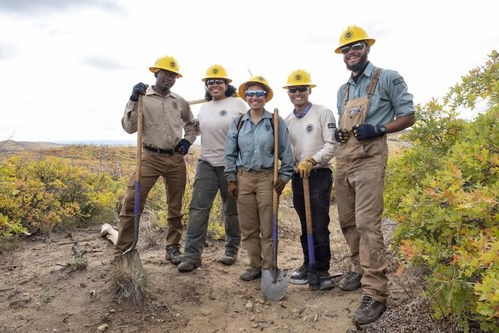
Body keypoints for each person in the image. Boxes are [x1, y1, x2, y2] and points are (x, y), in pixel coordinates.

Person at [333, 26, 416, 325]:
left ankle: (376, 292)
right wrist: (340, 135)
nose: (351, 52)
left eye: (356, 46)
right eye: (346, 49)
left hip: (370, 158)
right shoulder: (343, 90)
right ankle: (358, 268)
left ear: (367, 48)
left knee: (368, 224)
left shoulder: (388, 77)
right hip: (344, 160)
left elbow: (409, 115)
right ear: (342, 55)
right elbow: (346, 125)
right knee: (347, 221)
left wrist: (379, 128)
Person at [116, 55, 197, 265]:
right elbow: (129, 127)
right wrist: (133, 99)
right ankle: (124, 251)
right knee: (132, 201)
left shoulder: (179, 102)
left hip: (175, 159)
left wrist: (188, 141)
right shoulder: (142, 97)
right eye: (165, 74)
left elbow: (192, 125)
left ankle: (172, 248)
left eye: (173, 75)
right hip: (149, 157)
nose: (168, 78)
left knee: (175, 206)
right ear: (156, 73)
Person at [177, 65, 247, 272]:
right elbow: (194, 129)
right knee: (198, 209)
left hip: (231, 164)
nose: (214, 85)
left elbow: (250, 127)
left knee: (231, 210)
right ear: (206, 86)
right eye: (210, 82)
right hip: (207, 162)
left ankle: (231, 249)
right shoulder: (204, 108)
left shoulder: (237, 104)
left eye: (219, 82)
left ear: (227, 85)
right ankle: (192, 255)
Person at [225, 75, 294, 281]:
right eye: (251, 94)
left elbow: (286, 151)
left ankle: (269, 267)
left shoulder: (274, 121)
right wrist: (231, 178)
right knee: (248, 226)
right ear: (246, 97)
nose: (255, 97)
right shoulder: (237, 123)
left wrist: (284, 175)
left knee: (268, 225)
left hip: (267, 178)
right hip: (243, 178)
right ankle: (255, 265)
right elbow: (230, 152)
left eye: (259, 94)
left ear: (266, 97)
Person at [282, 69, 338, 287]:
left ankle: (322, 269)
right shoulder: (287, 121)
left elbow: (331, 144)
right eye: (293, 90)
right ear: (288, 93)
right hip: (299, 177)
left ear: (309, 90)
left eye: (302, 89)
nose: (298, 93)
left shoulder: (323, 113)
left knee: (319, 222)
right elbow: (287, 152)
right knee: (305, 222)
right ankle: (308, 263)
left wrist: (312, 161)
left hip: (319, 175)